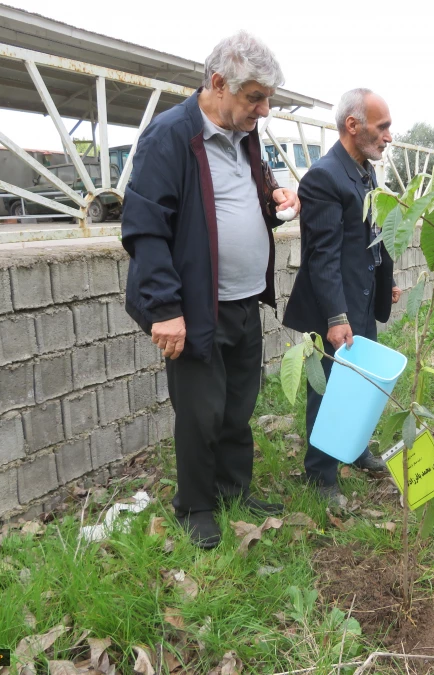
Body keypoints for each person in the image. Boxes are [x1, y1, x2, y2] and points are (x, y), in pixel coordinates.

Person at [121, 31, 299, 549]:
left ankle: (233, 490)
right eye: (255, 98)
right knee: (200, 411)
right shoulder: (170, 136)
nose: (263, 110)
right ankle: (196, 506)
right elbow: (145, 228)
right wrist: (165, 309)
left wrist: (274, 197)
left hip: (244, 298)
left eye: (267, 99)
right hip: (196, 306)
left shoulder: (245, 135)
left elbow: (244, 194)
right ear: (218, 83)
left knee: (239, 404)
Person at [283, 88, 401, 501]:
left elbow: (369, 238)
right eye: (382, 126)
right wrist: (336, 318)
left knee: (360, 384)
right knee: (329, 390)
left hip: (362, 300)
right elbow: (322, 257)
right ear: (353, 125)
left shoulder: (364, 171)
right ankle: (321, 475)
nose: (389, 136)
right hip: (335, 310)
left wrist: (385, 282)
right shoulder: (324, 178)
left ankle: (354, 449)